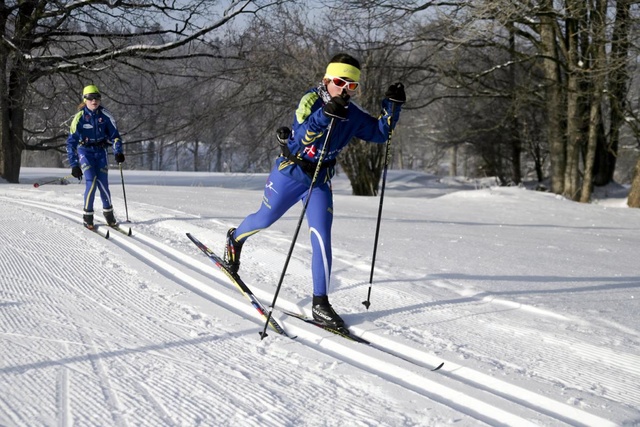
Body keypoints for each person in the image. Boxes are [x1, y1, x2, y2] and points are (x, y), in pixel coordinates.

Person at [224, 53, 406, 328]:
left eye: (352, 85)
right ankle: (235, 240)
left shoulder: (352, 114)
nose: (344, 89)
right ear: (326, 80)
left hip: (319, 181)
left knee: (321, 238)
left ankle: (320, 303)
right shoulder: (310, 101)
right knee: (264, 219)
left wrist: (392, 106)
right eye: (339, 81)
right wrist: (324, 115)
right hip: (290, 175)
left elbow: (381, 133)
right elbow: (301, 137)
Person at [66, 84, 125, 229]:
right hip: (85, 151)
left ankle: (109, 215)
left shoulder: (105, 115)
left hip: (101, 152)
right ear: (85, 99)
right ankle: (88, 215)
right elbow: (70, 143)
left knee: (103, 183)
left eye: (97, 97)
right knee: (91, 182)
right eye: (90, 98)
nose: (94, 101)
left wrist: (118, 152)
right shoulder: (79, 118)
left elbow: (115, 137)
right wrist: (74, 165)